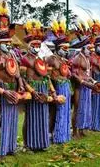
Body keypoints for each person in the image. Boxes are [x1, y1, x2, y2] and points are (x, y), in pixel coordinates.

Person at [0, 0, 24, 157]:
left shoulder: (12, 56)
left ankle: (9, 147)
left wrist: (20, 83)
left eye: (9, 43)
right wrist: (1, 92)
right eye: (5, 43)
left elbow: (16, 72)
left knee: (12, 121)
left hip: (13, 90)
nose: (8, 45)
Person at [21, 20, 58, 151]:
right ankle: (27, 144)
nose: (37, 46)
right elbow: (22, 79)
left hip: (42, 88)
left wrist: (52, 91)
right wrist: (31, 91)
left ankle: (41, 143)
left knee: (42, 116)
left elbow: (46, 76)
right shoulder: (24, 59)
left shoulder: (41, 58)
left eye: (38, 44)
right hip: (32, 89)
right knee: (30, 117)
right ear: (29, 45)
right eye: (34, 44)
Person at [70, 20, 99, 138]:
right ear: (83, 48)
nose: (91, 50)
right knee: (77, 108)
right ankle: (75, 131)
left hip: (86, 86)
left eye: (92, 48)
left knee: (85, 108)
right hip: (79, 87)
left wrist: (93, 81)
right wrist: (82, 82)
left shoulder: (86, 58)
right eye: (89, 48)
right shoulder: (78, 58)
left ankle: (82, 129)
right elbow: (73, 74)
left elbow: (87, 73)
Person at [46, 19, 72, 144]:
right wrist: (53, 90)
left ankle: (63, 134)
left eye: (68, 48)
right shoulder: (51, 59)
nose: (66, 50)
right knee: (54, 112)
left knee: (65, 111)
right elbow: (48, 75)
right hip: (56, 88)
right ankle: (51, 134)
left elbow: (66, 73)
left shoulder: (64, 60)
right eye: (64, 48)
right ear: (58, 47)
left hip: (65, 87)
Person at [88, 20, 100, 131]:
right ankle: (96, 124)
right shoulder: (92, 56)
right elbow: (95, 68)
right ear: (96, 46)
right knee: (97, 102)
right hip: (97, 81)